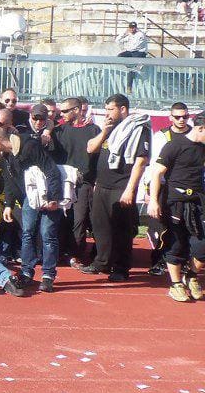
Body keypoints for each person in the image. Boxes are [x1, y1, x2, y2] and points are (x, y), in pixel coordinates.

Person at [0, 124, 63, 293]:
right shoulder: (5, 156)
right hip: (29, 197)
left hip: (48, 194)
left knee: (47, 234)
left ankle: (48, 276)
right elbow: (9, 181)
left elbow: (51, 170)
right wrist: (8, 205)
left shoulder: (30, 146)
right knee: (27, 233)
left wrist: (54, 198)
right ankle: (27, 272)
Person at [81, 94, 151, 281]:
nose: (107, 113)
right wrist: (105, 131)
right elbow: (90, 148)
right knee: (100, 226)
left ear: (123, 109)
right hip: (102, 185)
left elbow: (141, 162)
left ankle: (121, 267)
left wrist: (130, 189)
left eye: (110, 109)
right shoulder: (109, 128)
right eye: (106, 110)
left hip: (122, 186)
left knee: (122, 229)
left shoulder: (138, 128)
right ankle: (102, 262)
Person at [147, 112, 205, 302]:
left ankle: (191, 275)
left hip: (199, 202)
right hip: (175, 202)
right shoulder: (174, 145)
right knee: (176, 243)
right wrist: (153, 200)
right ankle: (176, 283)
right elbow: (156, 173)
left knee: (202, 245)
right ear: (201, 128)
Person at [52, 97, 100, 270]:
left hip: (84, 182)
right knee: (60, 218)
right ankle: (58, 252)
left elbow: (99, 158)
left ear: (77, 110)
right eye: (61, 111)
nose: (62, 114)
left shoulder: (94, 130)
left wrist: (96, 181)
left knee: (79, 220)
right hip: (62, 181)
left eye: (65, 111)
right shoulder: (58, 131)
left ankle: (75, 254)